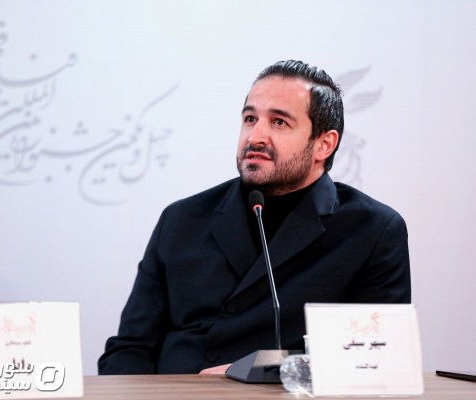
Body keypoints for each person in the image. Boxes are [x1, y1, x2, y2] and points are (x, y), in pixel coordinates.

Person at [98, 60, 411, 375]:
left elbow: (374, 362)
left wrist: (254, 373)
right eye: (250, 119)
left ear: (323, 144)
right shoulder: (181, 219)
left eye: (279, 122)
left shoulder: (372, 231)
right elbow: (129, 348)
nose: (255, 136)